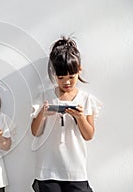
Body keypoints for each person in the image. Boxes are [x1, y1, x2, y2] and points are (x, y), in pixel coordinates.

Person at [30, 36, 102, 192]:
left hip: (75, 170)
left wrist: (80, 117)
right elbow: (35, 132)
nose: (67, 82)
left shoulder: (86, 99)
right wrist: (42, 113)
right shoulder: (44, 97)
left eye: (71, 77)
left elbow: (88, 135)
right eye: (61, 78)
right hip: (48, 169)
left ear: (79, 71)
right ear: (54, 74)